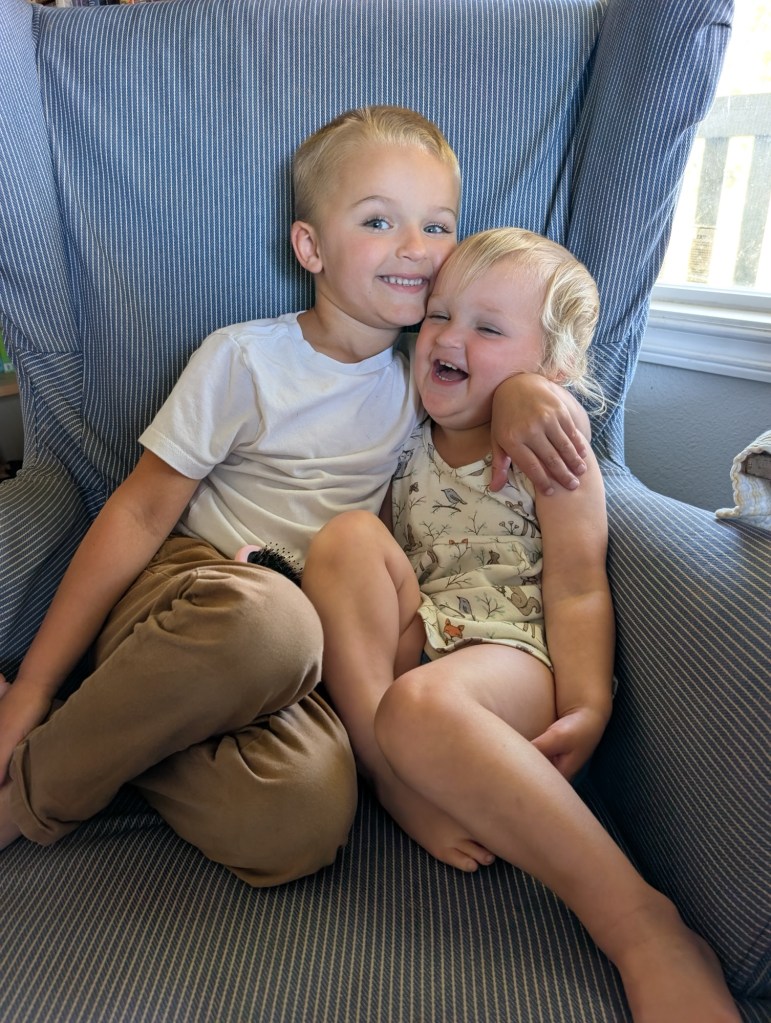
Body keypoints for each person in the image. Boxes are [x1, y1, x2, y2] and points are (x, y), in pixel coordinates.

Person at [0, 108, 590, 885]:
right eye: (378, 220)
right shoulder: (245, 358)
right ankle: (28, 794)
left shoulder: (427, 378)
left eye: (437, 225)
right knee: (269, 623)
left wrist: (523, 391)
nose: (416, 247)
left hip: (311, 656)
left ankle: (127, 726)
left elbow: (503, 377)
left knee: (303, 819)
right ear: (310, 248)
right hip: (199, 595)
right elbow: (139, 510)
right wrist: (35, 685)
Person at [301, 227, 741, 1022]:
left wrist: (588, 703)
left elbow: (577, 587)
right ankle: (391, 776)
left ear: (554, 369)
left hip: (510, 657)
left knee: (420, 706)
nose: (448, 337)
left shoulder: (552, 451)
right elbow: (374, 577)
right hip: (419, 640)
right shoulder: (401, 428)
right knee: (344, 539)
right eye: (439, 314)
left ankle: (641, 926)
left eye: (487, 328)